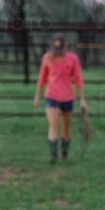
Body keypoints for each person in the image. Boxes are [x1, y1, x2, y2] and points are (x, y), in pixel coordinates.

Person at [33, 34, 86, 162]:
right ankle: (53, 154)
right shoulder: (47, 58)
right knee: (53, 124)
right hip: (52, 95)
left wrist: (82, 99)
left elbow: (78, 79)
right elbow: (42, 78)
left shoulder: (73, 59)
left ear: (65, 46)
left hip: (67, 96)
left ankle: (64, 152)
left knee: (66, 127)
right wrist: (37, 96)